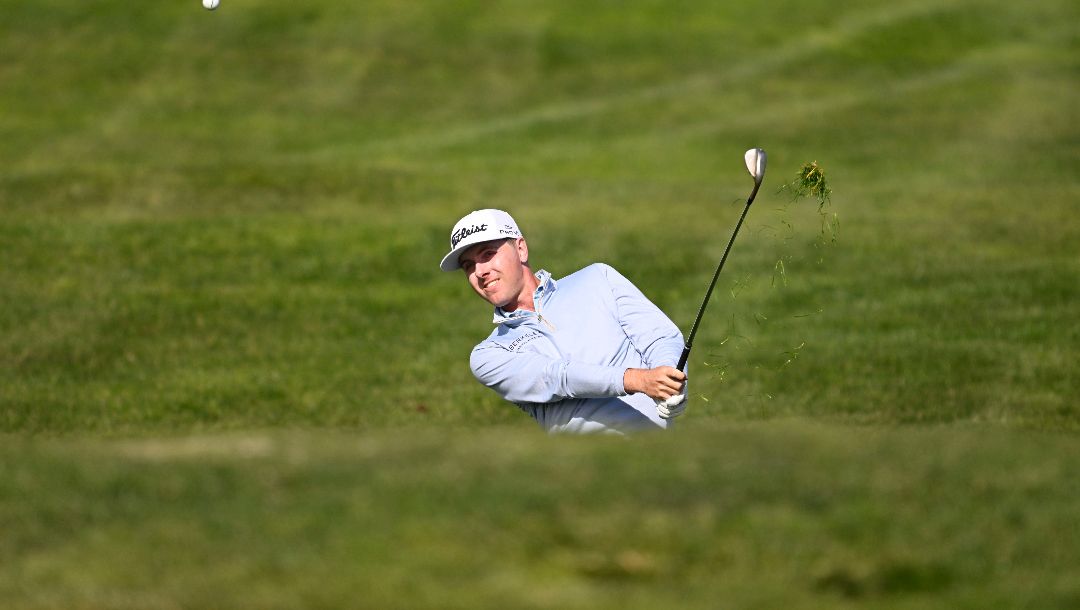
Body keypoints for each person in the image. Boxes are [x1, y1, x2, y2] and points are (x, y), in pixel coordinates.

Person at [440, 208, 688, 435]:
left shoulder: (598, 279)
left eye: (488, 254)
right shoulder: (489, 356)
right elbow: (555, 377)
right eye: (468, 265)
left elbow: (659, 336)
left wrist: (668, 382)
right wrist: (638, 380)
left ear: (521, 248)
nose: (480, 271)